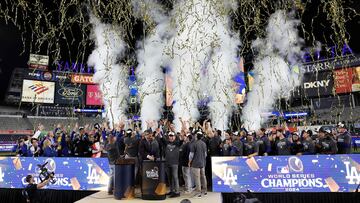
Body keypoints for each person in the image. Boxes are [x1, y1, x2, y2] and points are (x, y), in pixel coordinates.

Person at [189, 131, 207, 198]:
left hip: (195, 163)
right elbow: (205, 154)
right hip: (202, 163)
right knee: (203, 177)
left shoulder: (194, 144)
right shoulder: (204, 144)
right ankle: (205, 191)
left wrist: (189, 161)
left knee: (197, 178)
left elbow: (191, 155)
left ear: (196, 136)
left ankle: (198, 193)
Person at [163, 131, 181, 198]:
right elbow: (161, 138)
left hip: (174, 163)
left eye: (172, 136)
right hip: (167, 163)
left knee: (175, 177)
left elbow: (181, 139)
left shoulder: (177, 143)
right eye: (170, 136)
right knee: (169, 178)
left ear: (175, 137)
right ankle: (172, 190)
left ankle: (177, 192)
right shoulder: (166, 143)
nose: (171, 137)